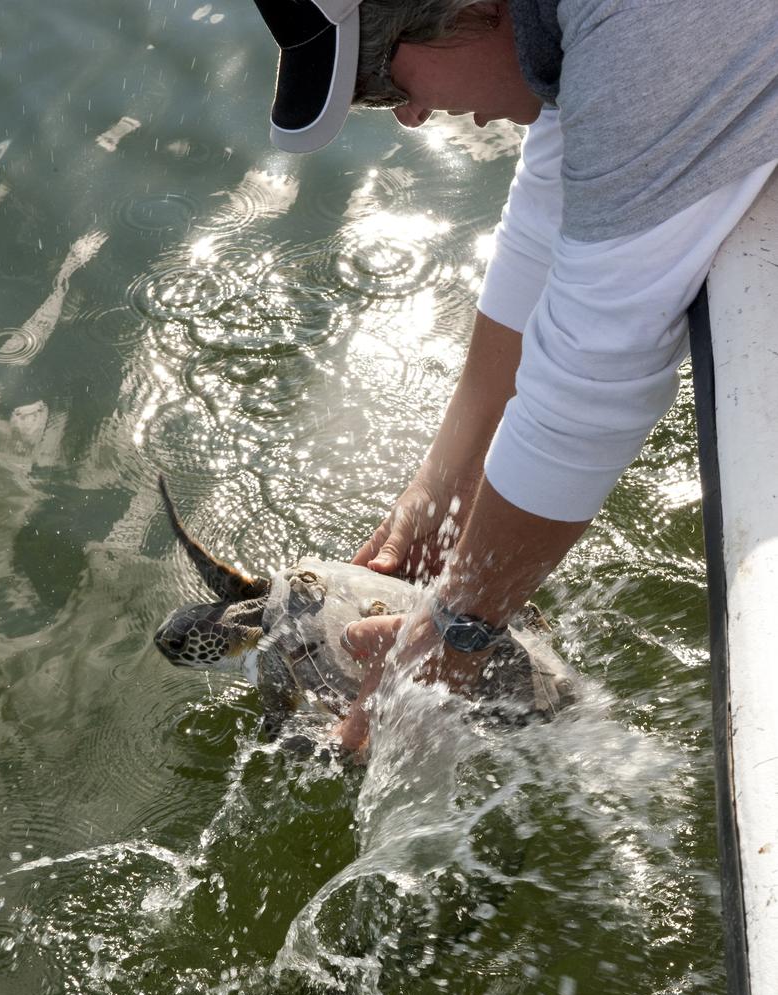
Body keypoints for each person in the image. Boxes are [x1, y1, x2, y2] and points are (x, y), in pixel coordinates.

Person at [249, 0, 778, 752]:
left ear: (465, 6)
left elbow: (596, 373)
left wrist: (455, 632)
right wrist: (444, 480)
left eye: (385, 83)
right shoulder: (581, 31)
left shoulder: (643, 38)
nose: (410, 115)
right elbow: (553, 205)